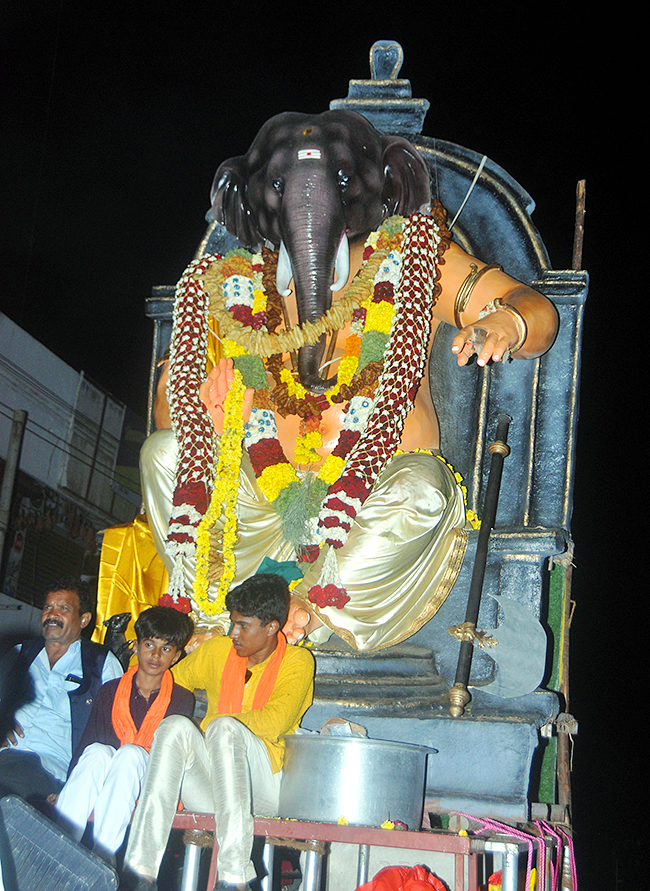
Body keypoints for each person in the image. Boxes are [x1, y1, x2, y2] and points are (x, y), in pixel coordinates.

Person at [122, 573, 315, 891]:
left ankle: (234, 876)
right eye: (232, 623)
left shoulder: (298, 661)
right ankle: (140, 872)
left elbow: (275, 720)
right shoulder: (217, 651)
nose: (233, 633)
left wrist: (210, 729)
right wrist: (140, 658)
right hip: (213, 785)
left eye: (243, 625)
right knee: (173, 728)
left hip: (264, 789)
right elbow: (166, 680)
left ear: (271, 628)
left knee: (225, 727)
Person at [54, 606, 195, 863]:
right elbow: (87, 744)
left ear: (176, 656)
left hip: (150, 783)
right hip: (106, 777)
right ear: (136, 646)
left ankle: (102, 856)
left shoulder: (182, 699)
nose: (155, 655)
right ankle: (59, 848)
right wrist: (66, 786)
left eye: (166, 649)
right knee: (97, 751)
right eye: (149, 645)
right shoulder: (109, 691)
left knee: (130, 754)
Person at [0, 578, 123, 803]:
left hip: (47, 768)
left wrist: (81, 788)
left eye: (63, 608)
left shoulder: (101, 663)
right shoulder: (20, 652)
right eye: (48, 607)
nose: (52, 614)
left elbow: (116, 728)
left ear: (84, 619)